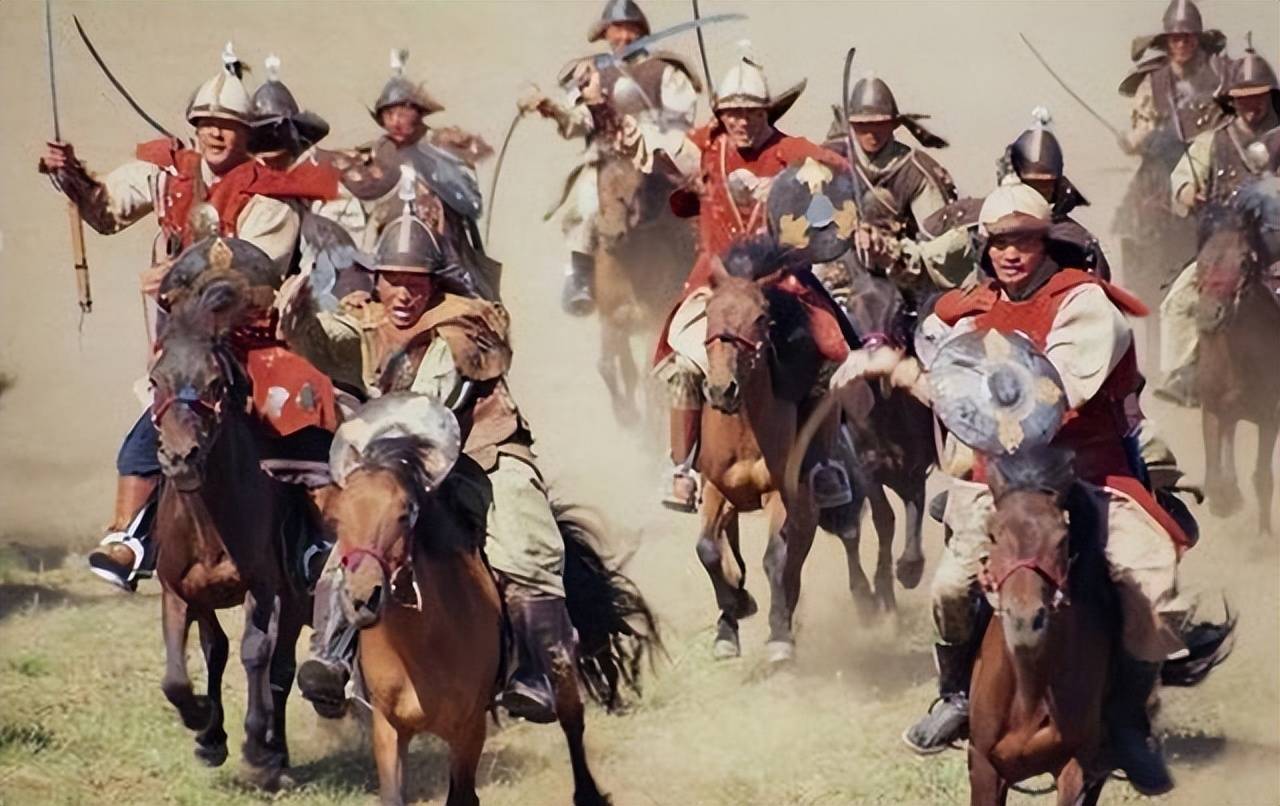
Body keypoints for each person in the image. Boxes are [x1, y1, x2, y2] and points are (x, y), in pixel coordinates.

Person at [832, 180, 1192, 795]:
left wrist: (916, 375)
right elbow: (959, 393)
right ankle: (954, 696)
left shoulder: (1085, 306)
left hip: (1088, 473)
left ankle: (1129, 723)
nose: (1010, 253)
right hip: (998, 478)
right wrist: (889, 364)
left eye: (1023, 241)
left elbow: (1042, 401)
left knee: (1152, 590)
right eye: (999, 242)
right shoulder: (966, 311)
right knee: (951, 586)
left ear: (1044, 242)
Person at [279, 172, 575, 724]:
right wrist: (297, 321)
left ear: (433, 284)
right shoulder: (367, 322)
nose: (403, 294)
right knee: (358, 538)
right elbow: (325, 343)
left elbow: (433, 402)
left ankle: (532, 670)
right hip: (396, 466)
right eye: (392, 281)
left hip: (478, 454)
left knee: (525, 534)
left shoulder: (463, 327)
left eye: (415, 283)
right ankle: (331, 656)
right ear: (377, 280)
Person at [37, 44, 336, 590]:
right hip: (187, 346)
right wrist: (72, 177)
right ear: (194, 126)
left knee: (301, 419)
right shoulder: (166, 174)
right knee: (154, 427)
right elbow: (106, 209)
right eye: (206, 122)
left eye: (228, 125)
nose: (216, 133)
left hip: (253, 342)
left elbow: (253, 268)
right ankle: (128, 536)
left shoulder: (271, 197)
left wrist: (175, 275)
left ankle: (318, 542)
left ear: (247, 133)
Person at [616, 49, 851, 512]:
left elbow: (837, 169)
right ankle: (682, 467)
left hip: (781, 284)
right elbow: (662, 157)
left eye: (752, 113)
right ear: (722, 114)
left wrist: (789, 184)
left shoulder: (787, 149)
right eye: (733, 113)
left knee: (830, 350)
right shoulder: (706, 145)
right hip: (715, 284)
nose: (742, 122)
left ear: (767, 112)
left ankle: (823, 463)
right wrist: (629, 133)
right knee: (682, 358)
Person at [518, 0, 699, 314]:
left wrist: (650, 135)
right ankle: (580, 277)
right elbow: (579, 121)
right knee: (586, 203)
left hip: (653, 155)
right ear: (606, 33)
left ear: (642, 31)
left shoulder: (664, 69)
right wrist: (551, 108)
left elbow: (682, 117)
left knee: (687, 206)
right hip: (606, 160)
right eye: (617, 29)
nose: (624, 36)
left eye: (631, 29)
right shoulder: (590, 73)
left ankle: (693, 270)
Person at [313, 49, 499, 299]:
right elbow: (368, 187)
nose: (396, 121)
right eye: (389, 114)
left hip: (442, 245)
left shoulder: (440, 143)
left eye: (402, 113)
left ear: (418, 113)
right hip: (390, 244)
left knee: (462, 291)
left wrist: (432, 177)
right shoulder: (380, 148)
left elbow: (470, 201)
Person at [1156, 42, 1280, 406]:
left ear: (1270, 96)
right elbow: (1182, 177)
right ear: (1232, 100)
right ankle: (1183, 373)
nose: (1251, 105)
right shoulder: (1212, 141)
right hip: (1225, 249)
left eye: (1258, 97)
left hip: (1275, 250)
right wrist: (1188, 192)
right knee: (1178, 303)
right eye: (1243, 98)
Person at [1114, 0, 1226, 334]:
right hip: (1160, 178)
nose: (1181, 44)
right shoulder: (1152, 82)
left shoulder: (1219, 77)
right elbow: (1140, 129)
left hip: (1210, 172)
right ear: (1166, 42)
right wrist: (1135, 139)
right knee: (1146, 242)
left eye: (1188, 37)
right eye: (1175, 38)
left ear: (1198, 39)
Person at [822, 72, 960, 293]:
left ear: (894, 124)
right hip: (838, 272)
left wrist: (894, 251)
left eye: (880, 124)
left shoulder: (916, 170)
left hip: (901, 275)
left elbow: (938, 244)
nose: (872, 133)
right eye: (863, 126)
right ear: (851, 125)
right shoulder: (829, 159)